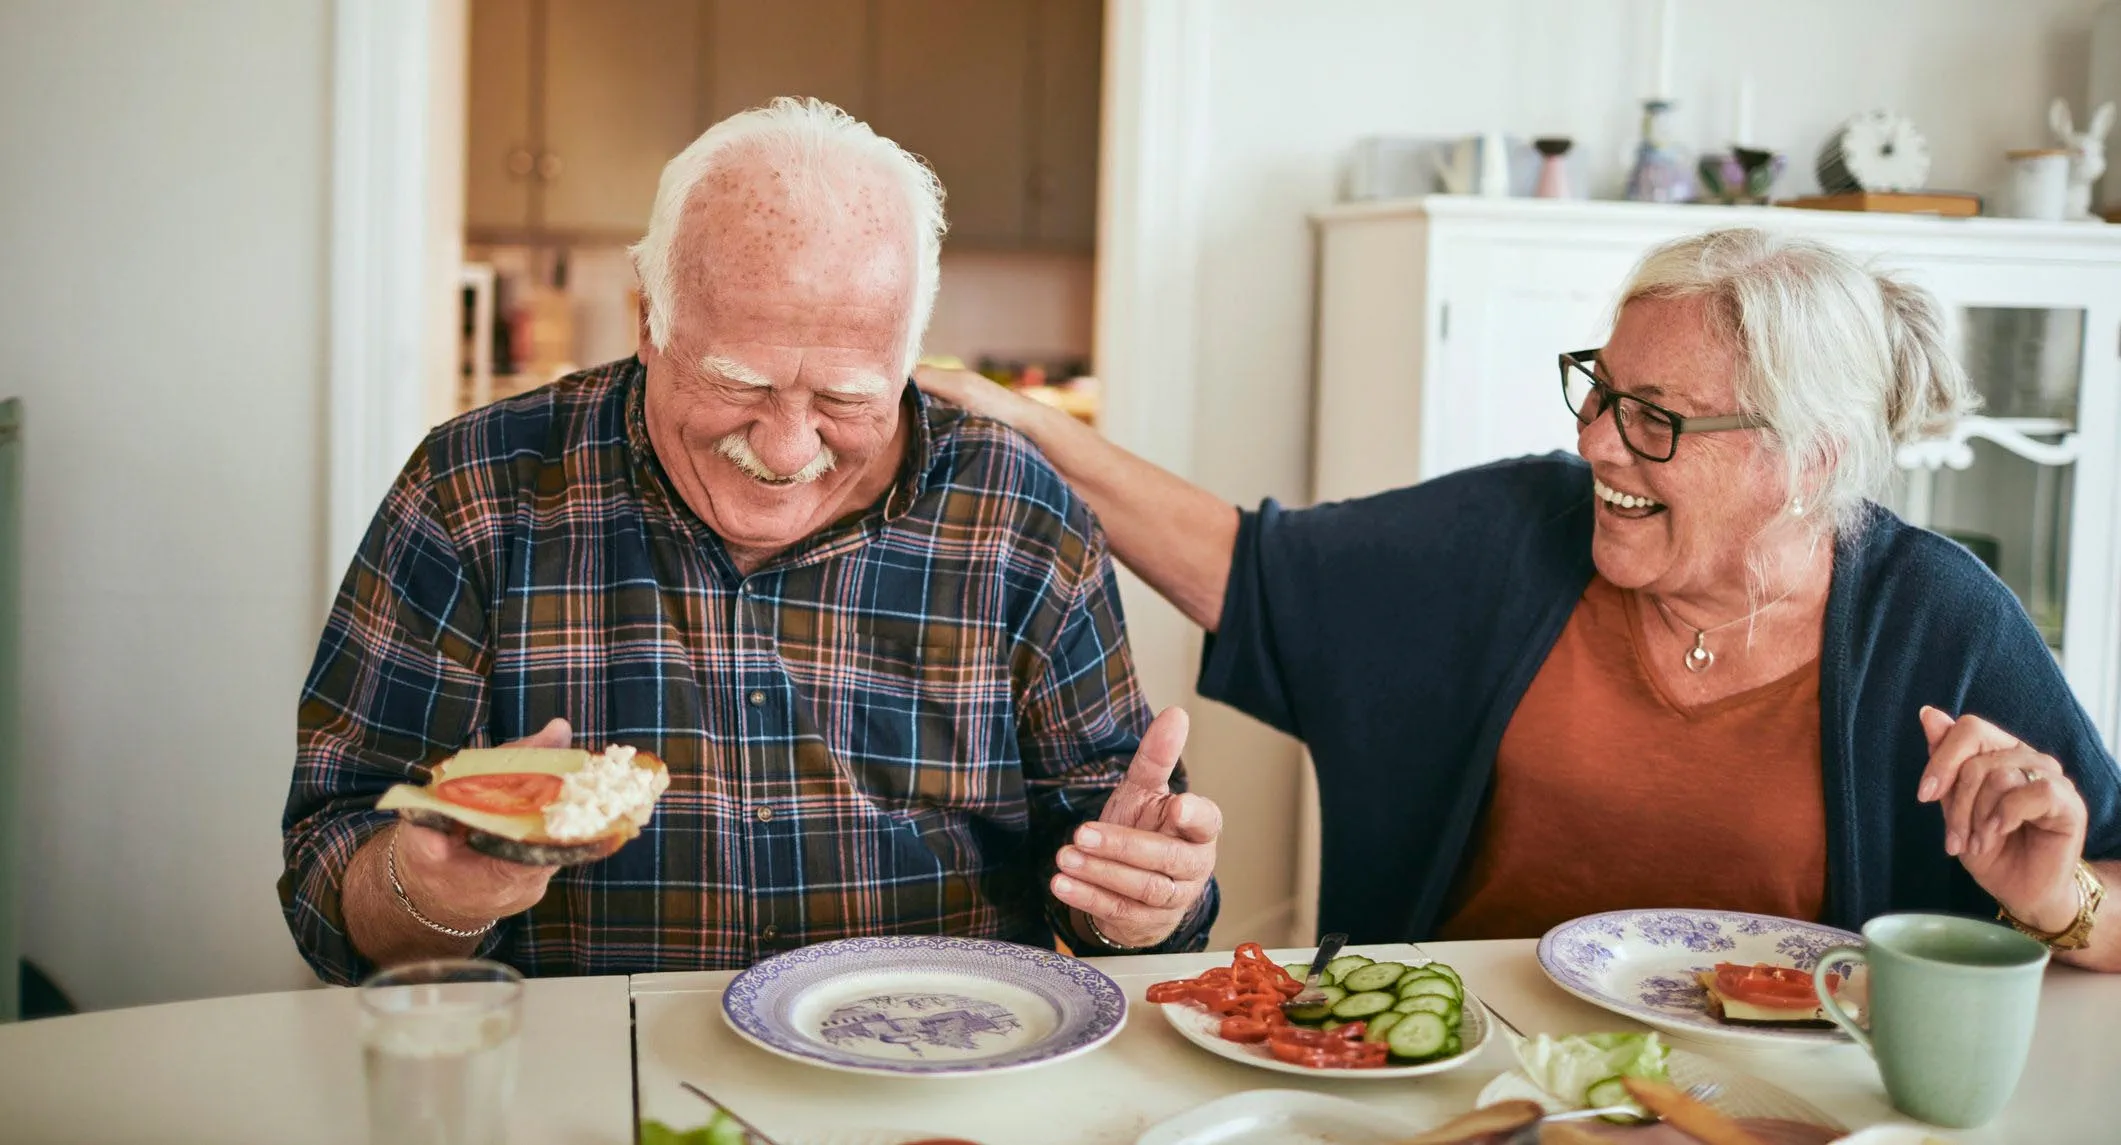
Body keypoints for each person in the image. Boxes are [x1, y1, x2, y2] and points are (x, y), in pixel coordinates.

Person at [920, 227, 2121, 971]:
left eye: (1658, 418)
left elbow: (2103, 889)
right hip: (1466, 1091)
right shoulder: (1515, 533)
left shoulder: (1936, 617)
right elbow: (1247, 568)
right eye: (1599, 389)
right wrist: (1030, 424)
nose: (1599, 440)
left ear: (1808, 457)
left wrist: (2053, 895)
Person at [279, 98, 1221, 985]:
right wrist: (429, 893)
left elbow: (1121, 880)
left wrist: (1141, 904)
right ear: (647, 320)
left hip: (939, 1074)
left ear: (908, 355)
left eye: (847, 398)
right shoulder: (473, 490)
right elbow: (330, 883)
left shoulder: (1017, 510)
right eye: (737, 383)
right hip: (595, 1082)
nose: (784, 448)